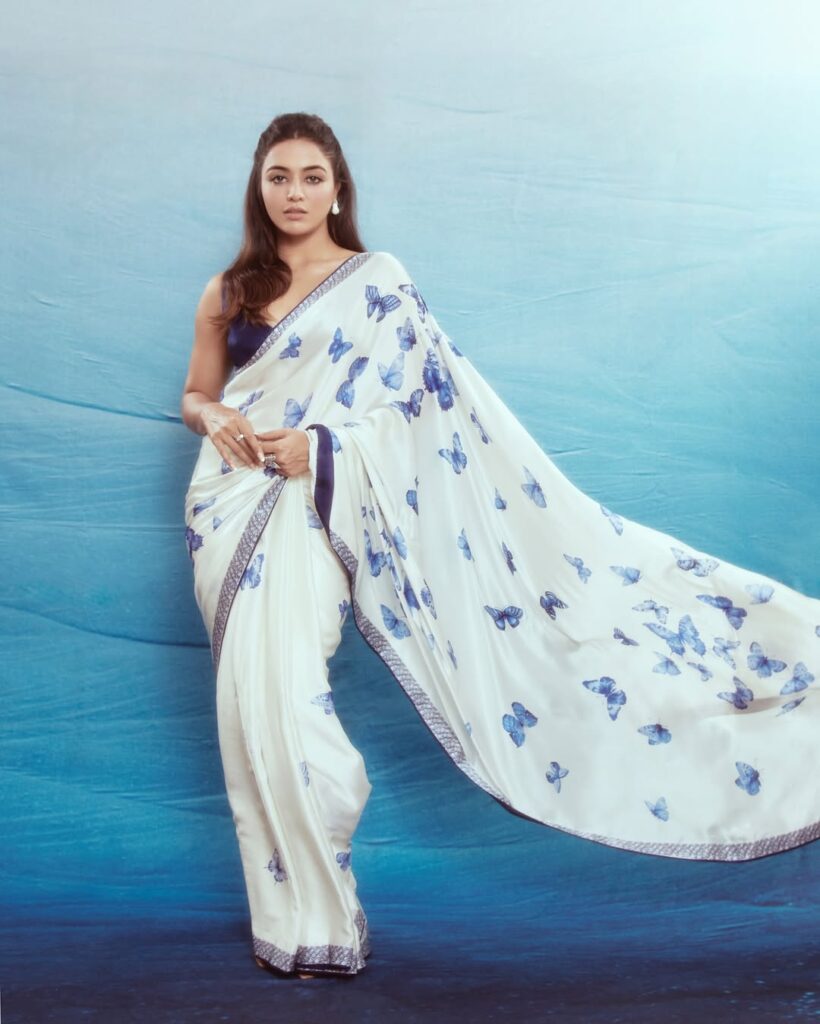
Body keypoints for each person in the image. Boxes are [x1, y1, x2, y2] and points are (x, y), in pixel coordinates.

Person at [181, 112, 820, 980]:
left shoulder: (378, 282)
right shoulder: (229, 290)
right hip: (230, 508)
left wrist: (324, 448)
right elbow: (198, 391)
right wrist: (213, 415)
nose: (294, 193)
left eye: (311, 177)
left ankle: (324, 912)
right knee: (248, 709)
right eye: (279, 177)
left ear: (337, 190)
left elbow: (418, 412)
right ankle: (288, 925)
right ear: (259, 187)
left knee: (290, 702)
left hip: (311, 506)